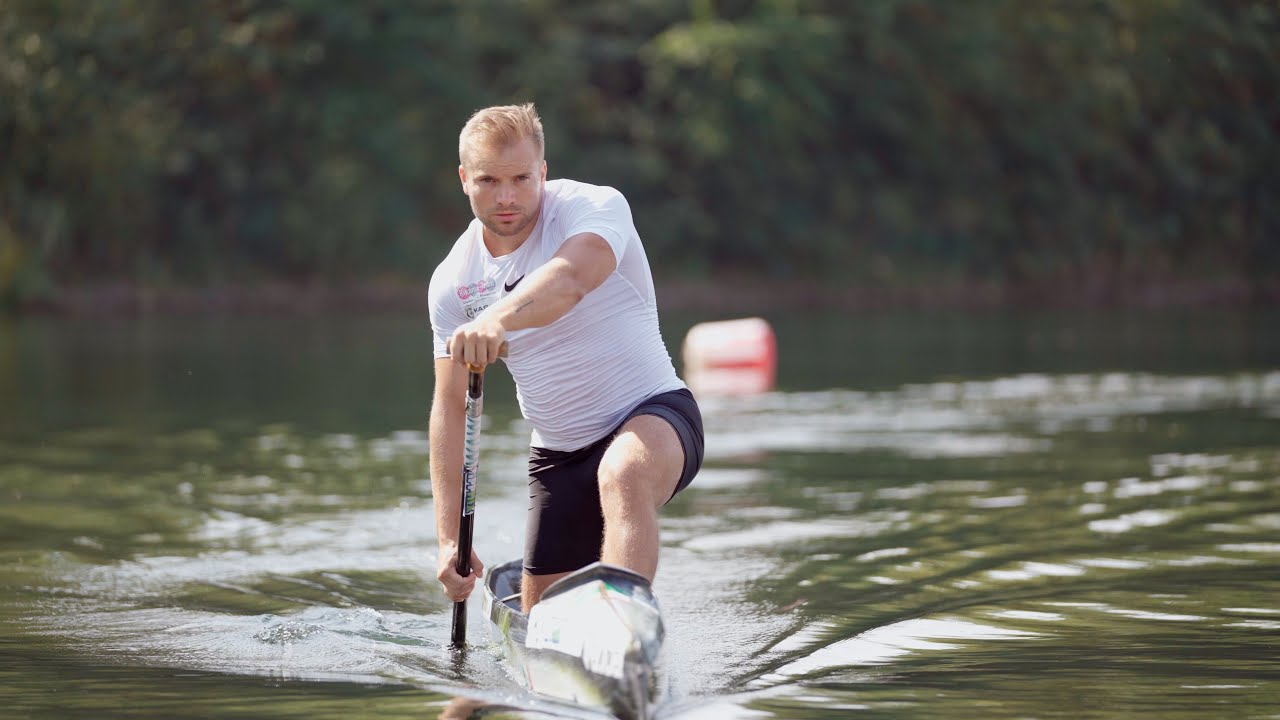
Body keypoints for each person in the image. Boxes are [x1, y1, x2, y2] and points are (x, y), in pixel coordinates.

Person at [428, 103, 704, 612]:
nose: (507, 197)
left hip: (654, 415)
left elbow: (572, 280)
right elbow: (449, 409)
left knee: (621, 473)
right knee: (540, 618)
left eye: (521, 178)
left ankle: (621, 623)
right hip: (559, 456)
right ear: (464, 178)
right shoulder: (452, 284)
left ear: (543, 173)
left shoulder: (594, 207)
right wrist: (449, 540)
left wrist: (497, 320)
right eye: (488, 180)